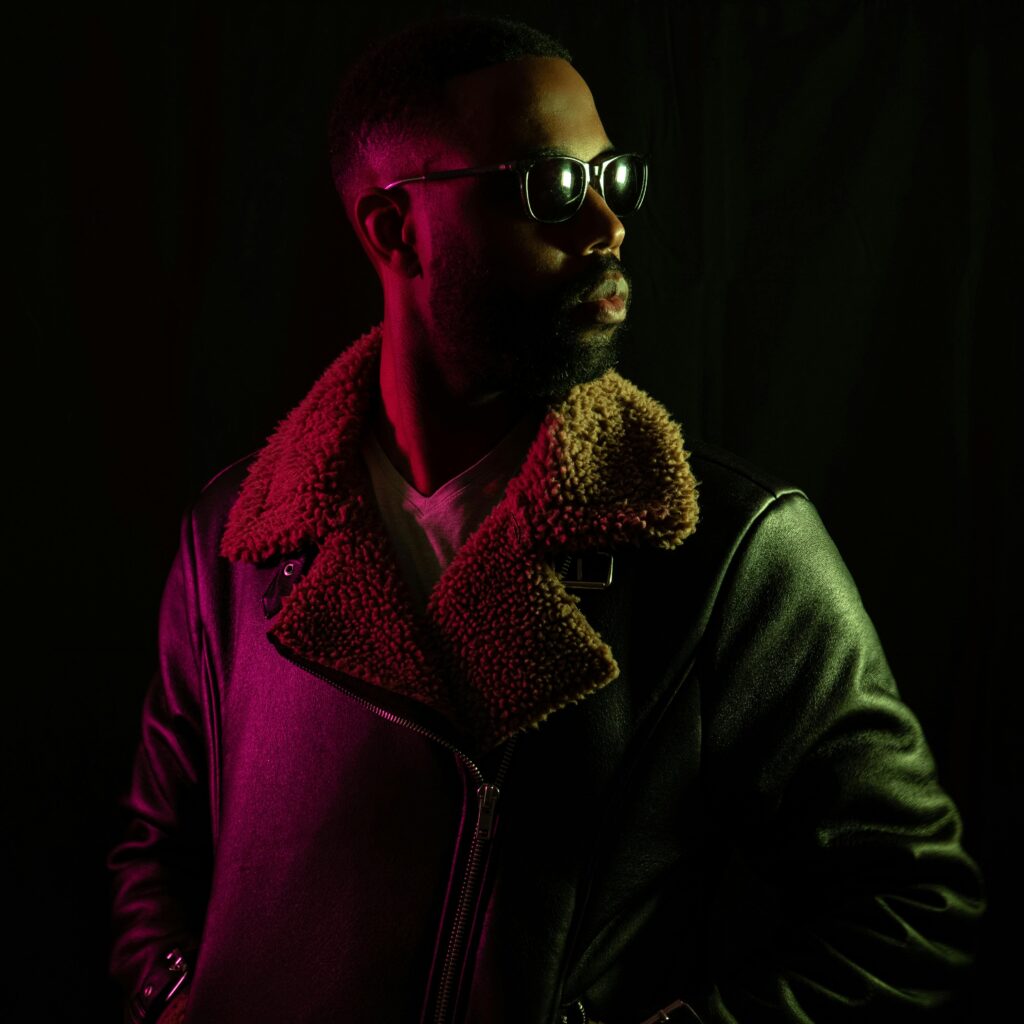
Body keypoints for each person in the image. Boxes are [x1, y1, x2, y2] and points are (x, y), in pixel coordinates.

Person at [108, 14, 983, 1024]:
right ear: (396, 230)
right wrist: (174, 994)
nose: (608, 226)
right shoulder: (238, 526)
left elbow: (914, 901)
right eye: (550, 187)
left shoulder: (726, 548)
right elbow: (156, 847)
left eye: (613, 177)